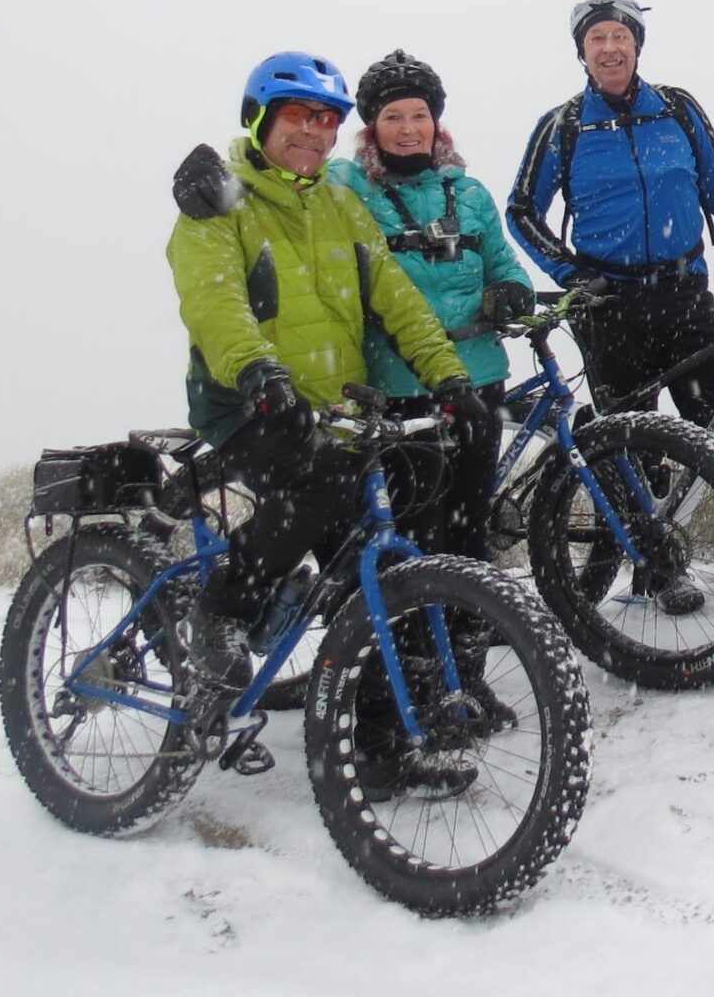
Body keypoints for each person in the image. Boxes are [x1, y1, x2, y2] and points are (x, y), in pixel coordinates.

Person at [166, 51, 498, 767]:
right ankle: (219, 612)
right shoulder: (220, 203)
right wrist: (259, 372)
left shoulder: (340, 202)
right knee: (322, 489)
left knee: (365, 576)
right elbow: (214, 301)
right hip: (247, 402)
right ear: (258, 120)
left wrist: (450, 380)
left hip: (332, 408)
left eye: (324, 121)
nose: (313, 134)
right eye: (296, 117)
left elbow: (397, 299)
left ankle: (378, 749)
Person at [506, 0, 714, 614]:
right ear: (581, 52)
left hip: (685, 294)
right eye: (596, 39)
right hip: (609, 307)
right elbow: (519, 210)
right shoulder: (564, 127)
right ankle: (660, 571)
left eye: (619, 36)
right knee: (634, 448)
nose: (609, 47)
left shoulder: (678, 110)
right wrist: (571, 274)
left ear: (636, 43)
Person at [330, 50, 536, 558]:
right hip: (401, 386)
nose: (408, 129)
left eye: (419, 115)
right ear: (370, 127)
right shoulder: (349, 189)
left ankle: (467, 626)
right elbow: (297, 177)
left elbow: (504, 265)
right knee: (418, 523)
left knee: (471, 518)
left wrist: (513, 291)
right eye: (392, 117)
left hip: (479, 379)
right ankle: (420, 631)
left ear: (436, 122)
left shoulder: (470, 194)